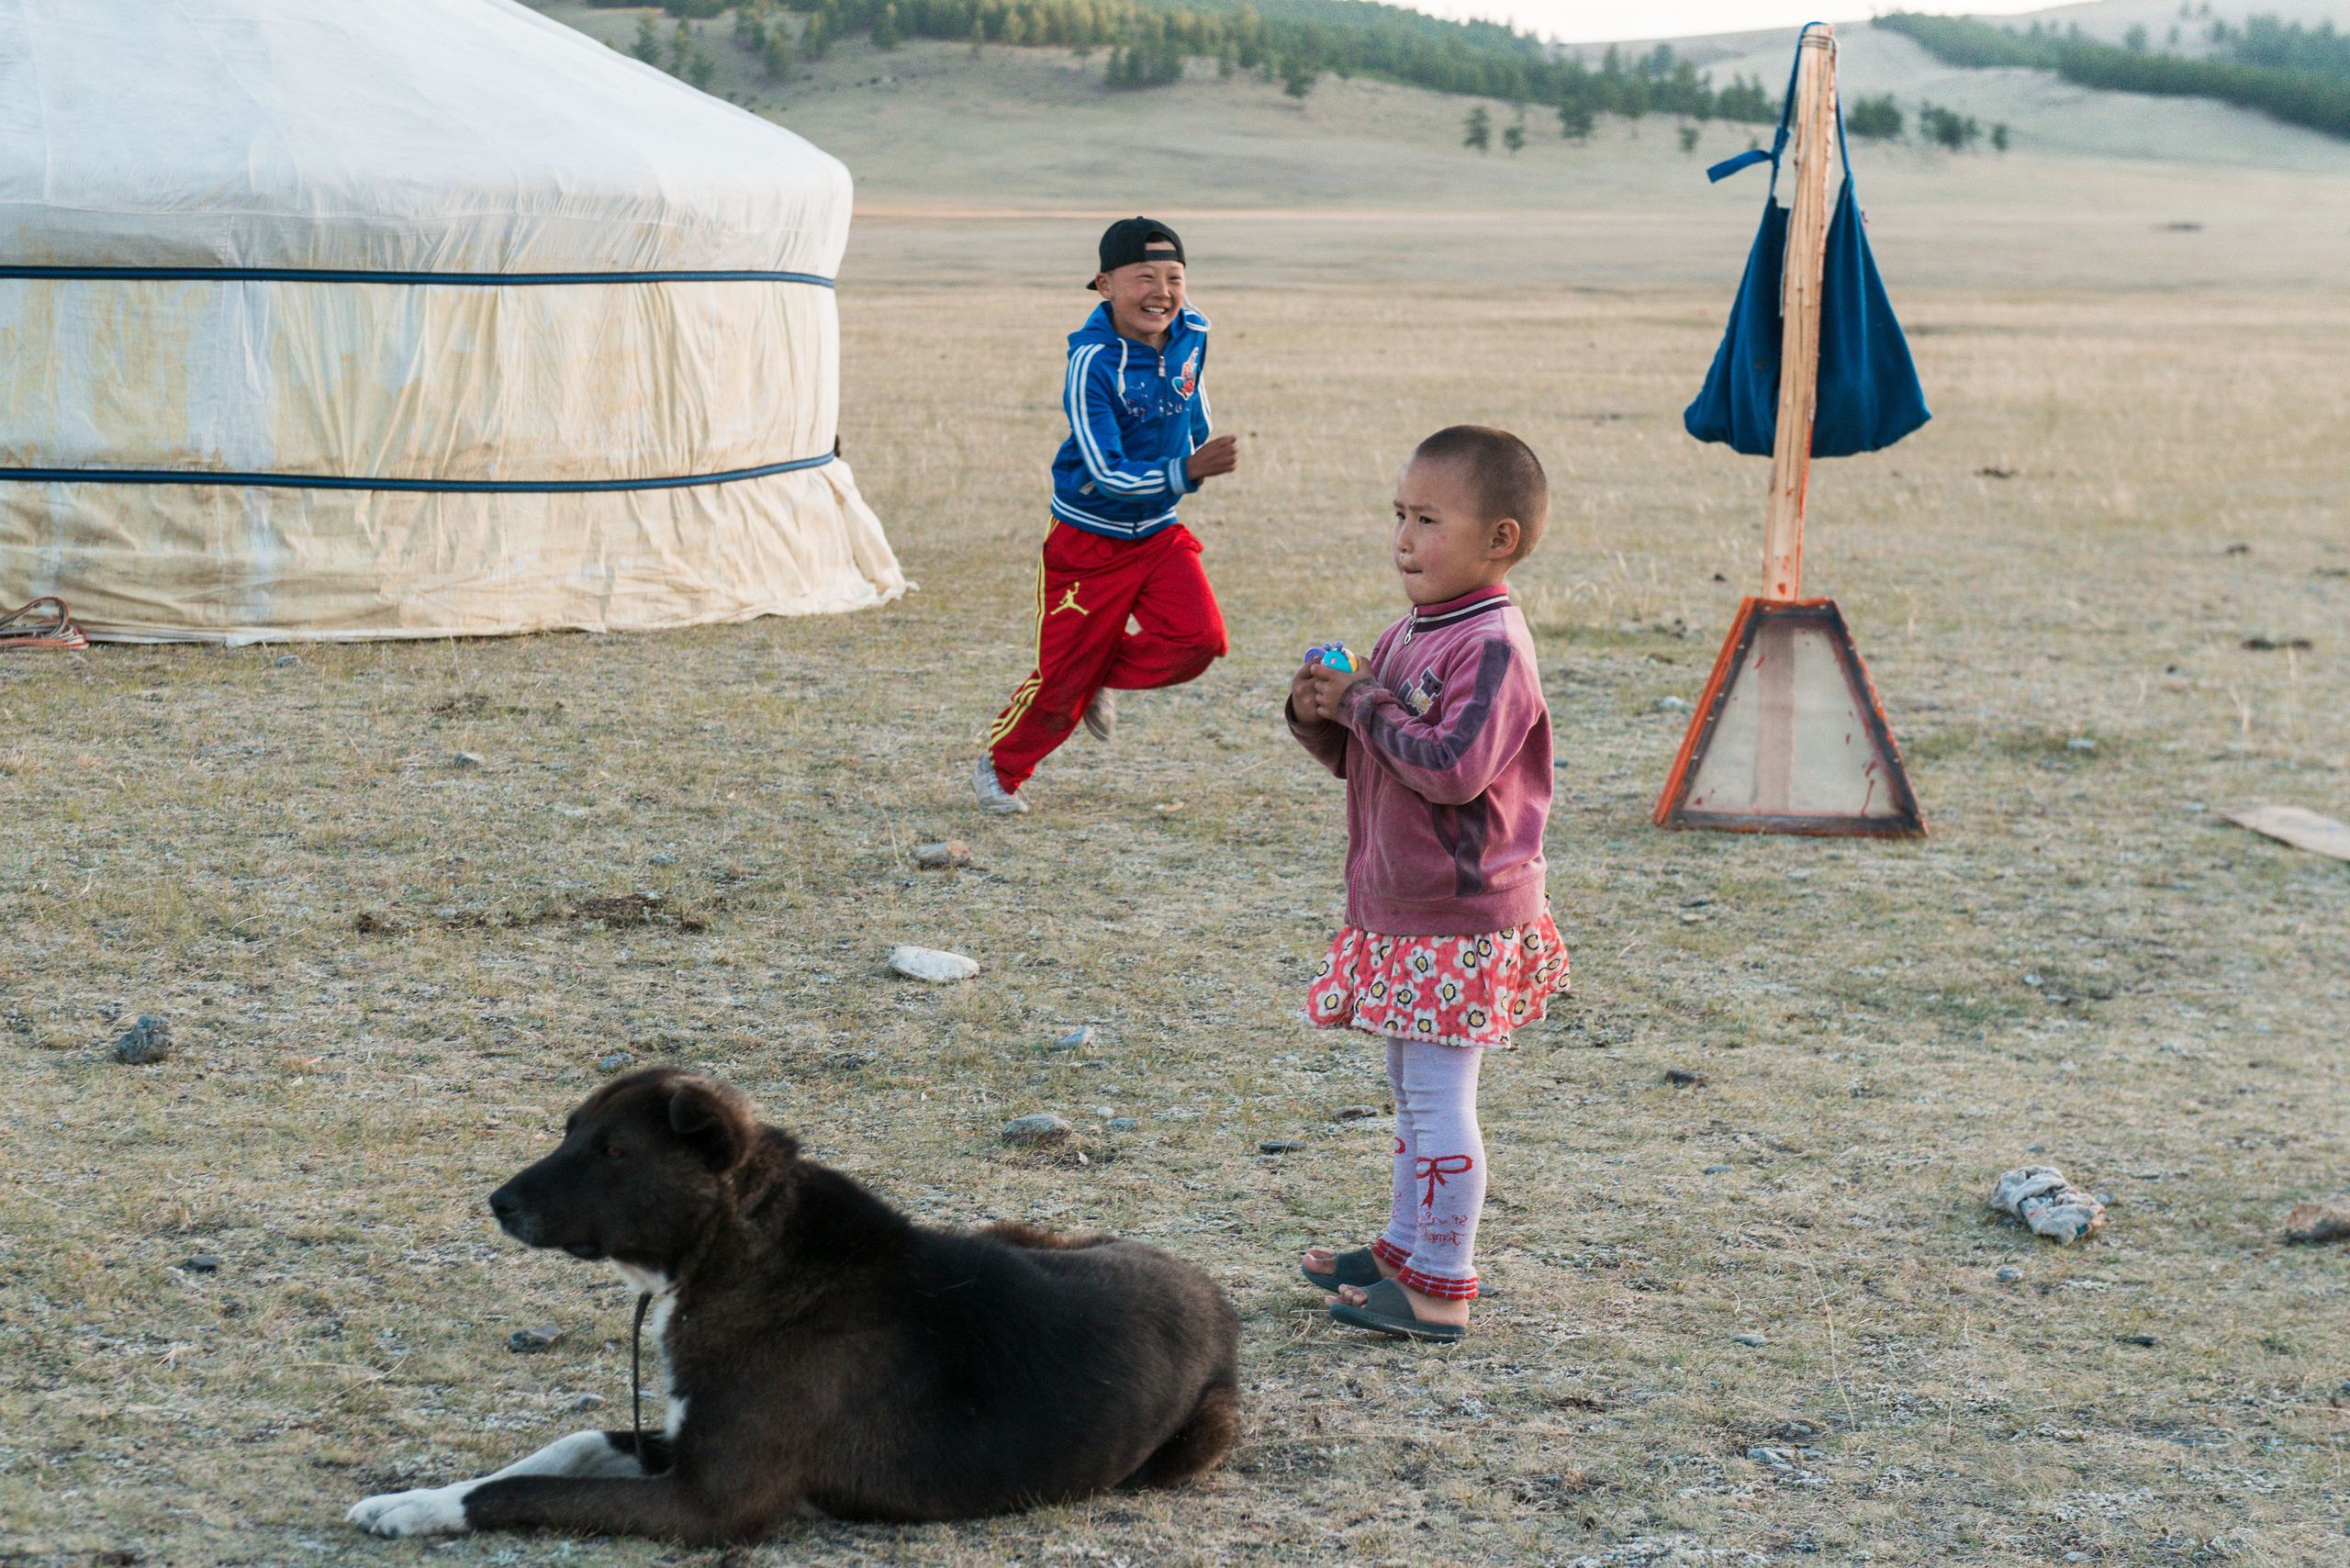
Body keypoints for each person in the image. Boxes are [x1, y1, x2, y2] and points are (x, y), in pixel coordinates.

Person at [1284, 425, 1568, 1342]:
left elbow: (1450, 767)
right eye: (1398, 515)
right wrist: (1320, 712)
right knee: (1412, 1089)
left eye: (1428, 520)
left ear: (1500, 540)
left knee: (1441, 1097)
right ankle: (1408, 1246)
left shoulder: (1490, 646)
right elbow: (1369, 761)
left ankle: (1442, 1280)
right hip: (1410, 910)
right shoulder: (1411, 631)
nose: (1403, 538)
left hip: (1459, 913)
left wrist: (1364, 701)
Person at [975, 217, 1238, 815]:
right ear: (1104, 285)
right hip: (1088, 538)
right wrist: (1187, 471)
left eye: (1174, 277)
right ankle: (999, 766)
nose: (1162, 292)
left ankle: (1088, 674)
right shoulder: (1091, 363)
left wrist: (1196, 443)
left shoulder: (1193, 329)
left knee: (1201, 640)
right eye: (1143, 277)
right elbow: (1107, 470)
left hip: (1159, 532)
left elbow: (1192, 397)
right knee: (1060, 684)